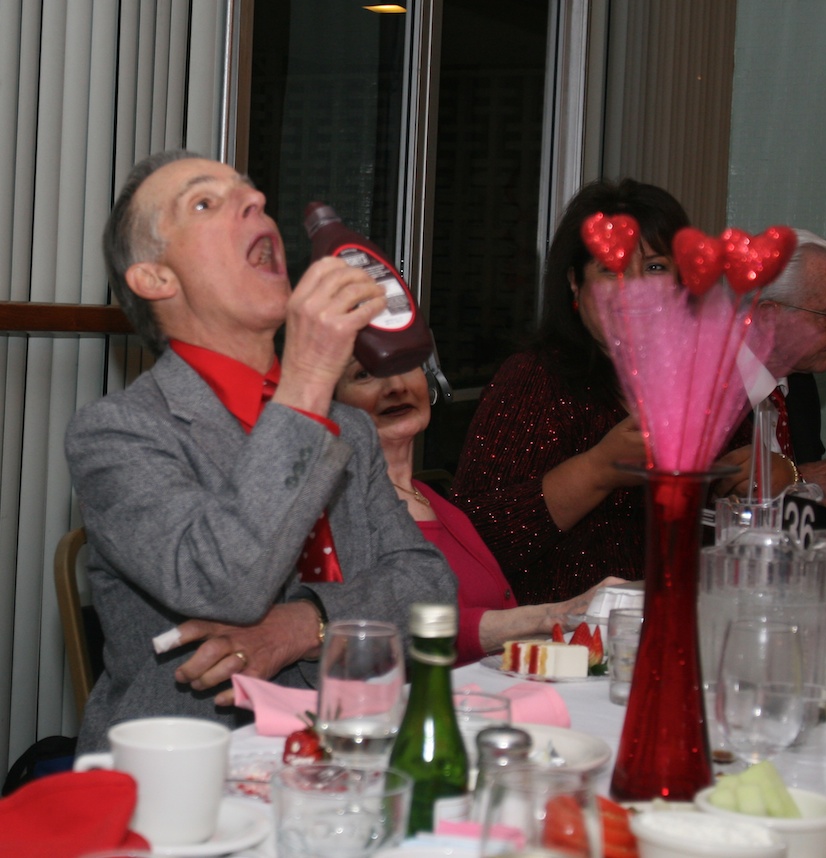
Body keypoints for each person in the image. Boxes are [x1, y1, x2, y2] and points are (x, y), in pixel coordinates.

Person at [65, 150, 456, 752]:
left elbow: (431, 587)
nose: (257, 202)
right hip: (192, 766)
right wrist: (309, 376)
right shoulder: (118, 433)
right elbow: (222, 583)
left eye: (250, 192)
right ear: (156, 278)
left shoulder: (349, 429)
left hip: (357, 746)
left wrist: (308, 623)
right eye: (205, 203)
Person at [451, 178, 689, 605]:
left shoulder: (699, 379)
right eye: (610, 270)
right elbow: (471, 545)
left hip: (682, 622)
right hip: (558, 636)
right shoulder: (534, 379)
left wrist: (774, 473)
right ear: (576, 285)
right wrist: (598, 469)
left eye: (655, 268)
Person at [334, 360, 612, 664]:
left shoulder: (432, 499)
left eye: (407, 365)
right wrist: (554, 616)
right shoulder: (337, 512)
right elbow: (375, 631)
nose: (396, 386)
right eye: (364, 374)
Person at [716, 229, 826, 513]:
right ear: (768, 316)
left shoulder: (800, 384)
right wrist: (802, 479)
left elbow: (805, 511)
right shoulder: (704, 390)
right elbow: (709, 500)